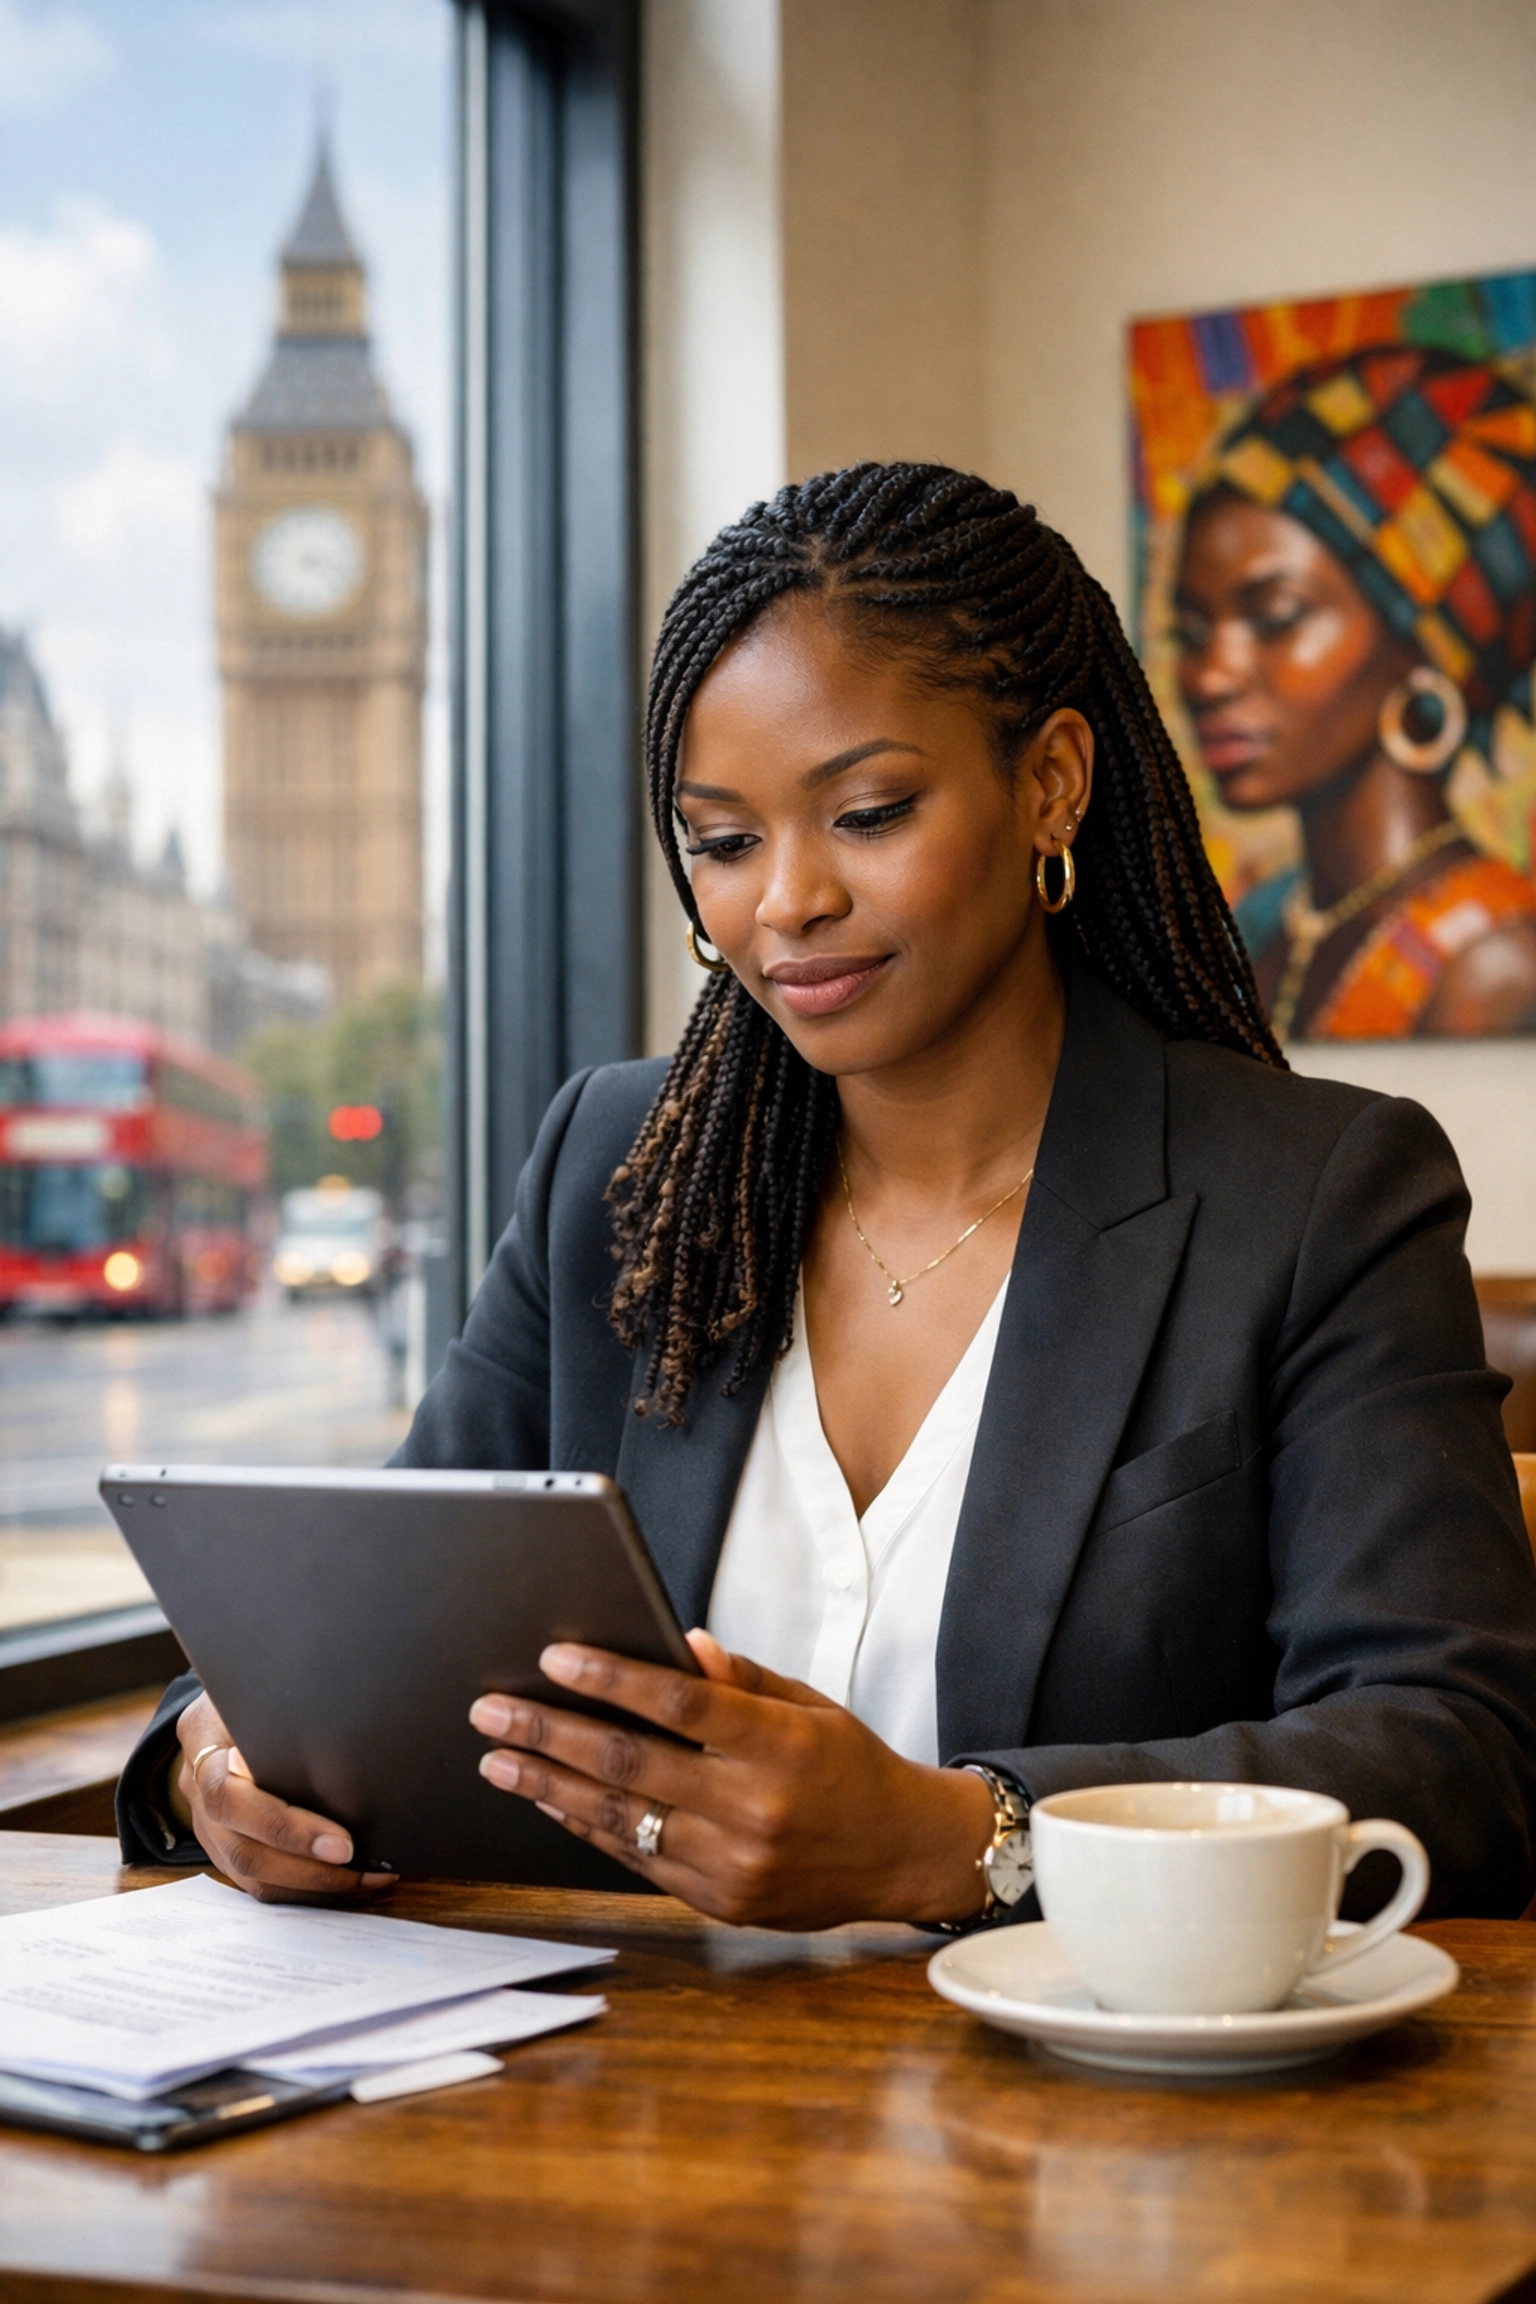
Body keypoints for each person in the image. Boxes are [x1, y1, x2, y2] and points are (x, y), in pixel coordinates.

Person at [118, 463, 1536, 1926]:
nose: (783, 901)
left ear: (1050, 780)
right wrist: (212, 1761)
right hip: (628, 2107)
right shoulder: (619, 1175)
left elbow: (1461, 1758)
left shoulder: (1316, 1197)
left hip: (1115, 2124)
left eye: (866, 813)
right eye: (723, 842)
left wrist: (958, 1839)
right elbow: (342, 1625)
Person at [1174, 344, 1536, 1039]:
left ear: (1422, 648)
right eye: (1191, 631)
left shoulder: (1492, 961)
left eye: (1276, 616)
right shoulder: (1265, 924)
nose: (1209, 675)